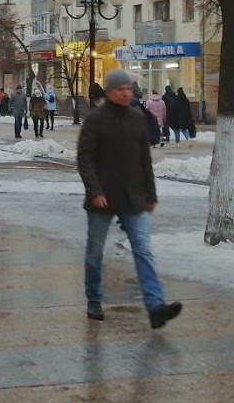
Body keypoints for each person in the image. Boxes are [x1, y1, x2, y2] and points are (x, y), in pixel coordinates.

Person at [77, 69, 182, 330]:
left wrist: (151, 194)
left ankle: (156, 307)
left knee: (143, 250)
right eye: (121, 89)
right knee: (95, 252)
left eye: (128, 89)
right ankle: (94, 298)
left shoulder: (137, 118)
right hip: (102, 198)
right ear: (110, 92)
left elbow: (144, 159)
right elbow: (85, 159)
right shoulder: (95, 119)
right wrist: (95, 191)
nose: (127, 93)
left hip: (134, 197)